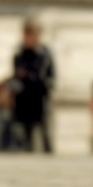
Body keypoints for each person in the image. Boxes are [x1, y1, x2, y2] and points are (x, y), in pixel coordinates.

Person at [9, 18, 55, 153]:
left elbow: (48, 77)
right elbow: (16, 73)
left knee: (45, 131)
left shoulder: (44, 54)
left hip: (40, 97)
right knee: (25, 134)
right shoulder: (20, 54)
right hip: (24, 99)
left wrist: (29, 76)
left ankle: (49, 156)